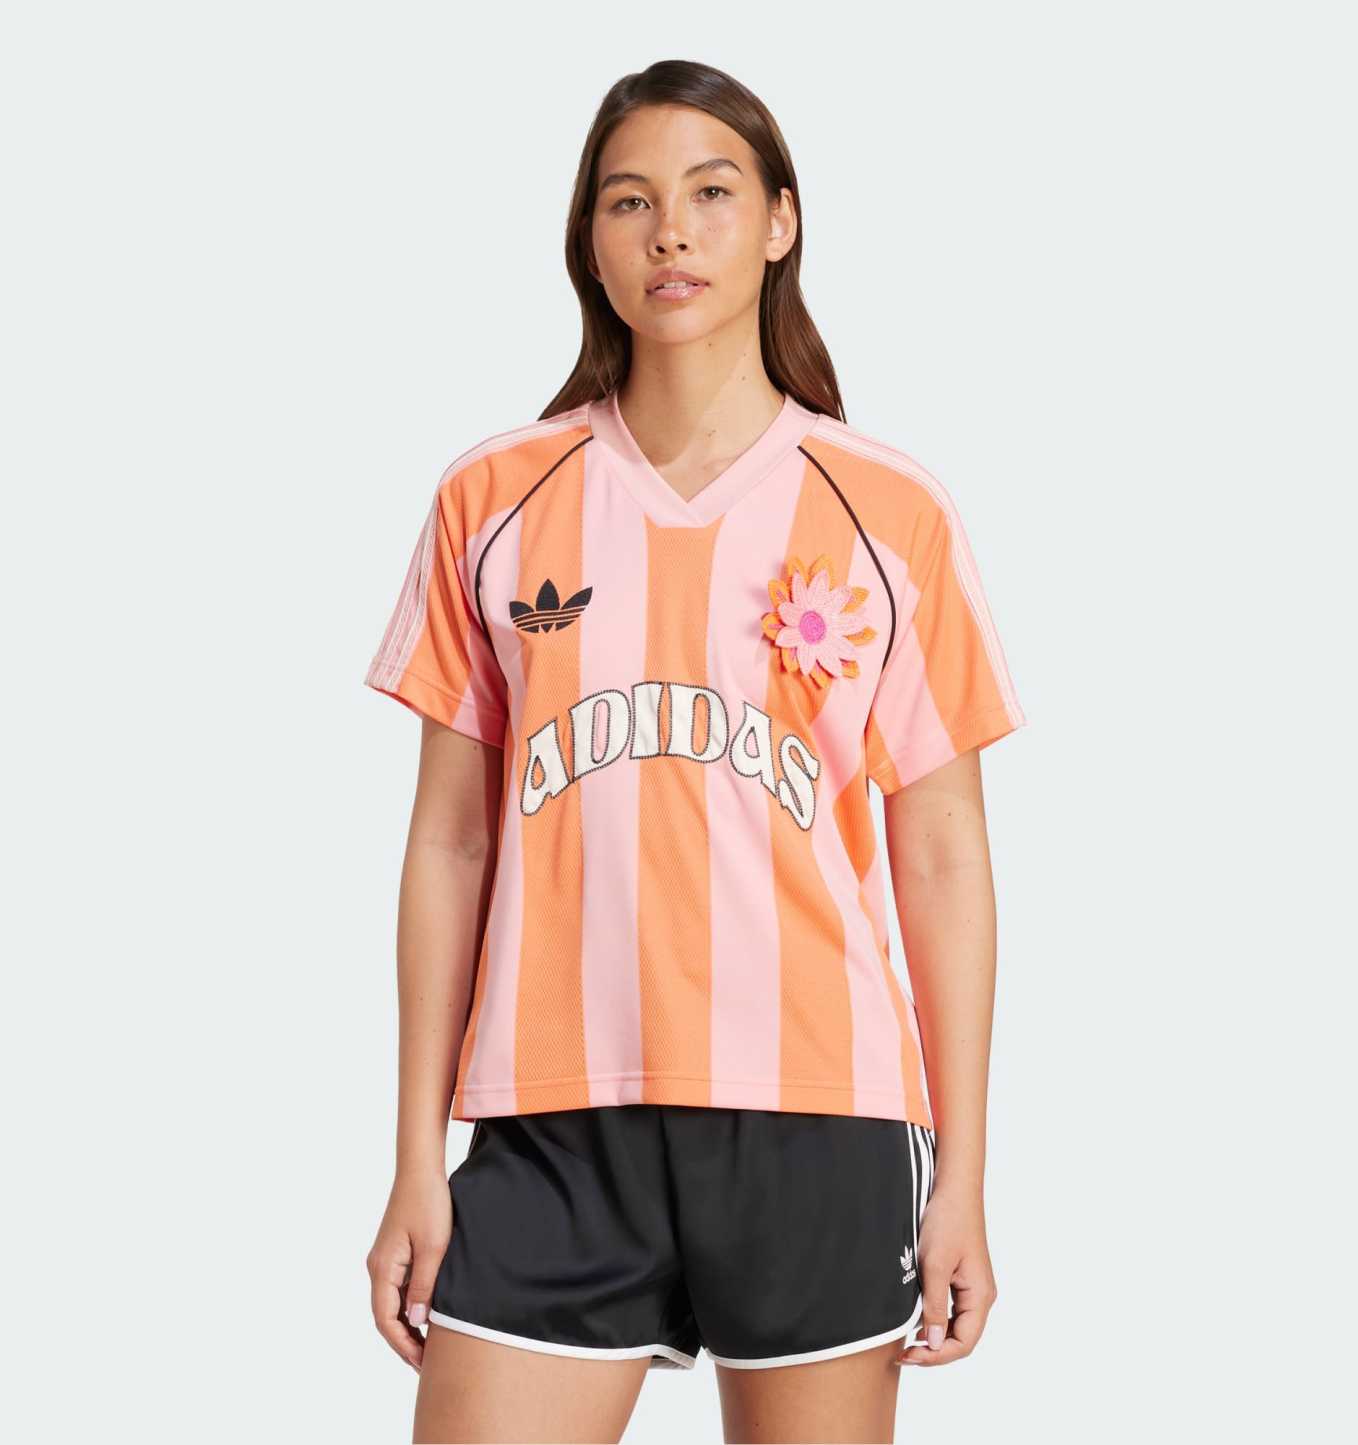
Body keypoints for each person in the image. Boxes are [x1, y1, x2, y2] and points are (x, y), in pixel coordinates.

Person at [362, 58, 1026, 1445]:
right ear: (590, 243)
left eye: (711, 193)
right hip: (547, 1123)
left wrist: (963, 1169)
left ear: (780, 221)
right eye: (630, 201)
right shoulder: (493, 497)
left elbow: (945, 857)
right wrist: (417, 1155)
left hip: (820, 1118)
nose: (670, 231)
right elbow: (451, 841)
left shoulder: (888, 508)